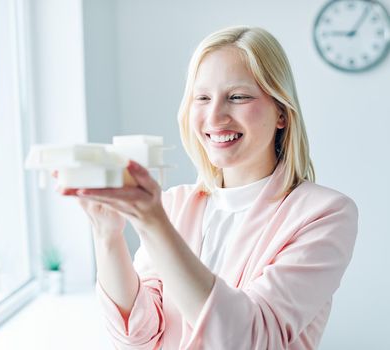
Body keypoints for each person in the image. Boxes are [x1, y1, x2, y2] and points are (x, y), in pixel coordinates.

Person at [59, 26, 358, 349]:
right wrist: (107, 235)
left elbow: (249, 339)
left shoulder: (325, 214)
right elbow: (137, 337)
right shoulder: (174, 205)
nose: (214, 117)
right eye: (202, 98)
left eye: (238, 97)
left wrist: (153, 223)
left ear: (282, 113)